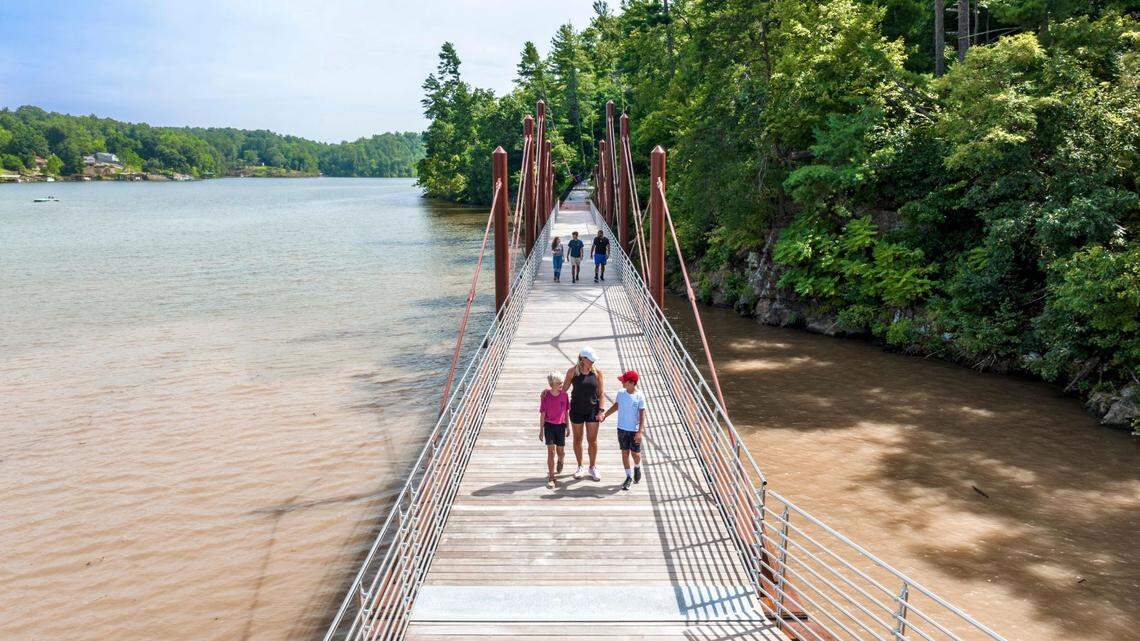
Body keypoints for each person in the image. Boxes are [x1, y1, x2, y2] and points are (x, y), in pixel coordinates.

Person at [562, 346, 604, 481]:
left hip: (593, 410)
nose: (593, 362)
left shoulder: (597, 373)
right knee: (577, 439)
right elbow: (563, 391)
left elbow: (601, 394)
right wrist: (549, 392)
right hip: (576, 410)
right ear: (582, 359)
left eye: (593, 360)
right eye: (590, 360)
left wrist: (601, 411)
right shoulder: (572, 372)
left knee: (592, 441)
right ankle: (580, 466)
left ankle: (592, 467)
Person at [602, 370, 647, 491]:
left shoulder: (640, 396)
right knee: (625, 452)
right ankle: (628, 477)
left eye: (624, 381)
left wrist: (640, 432)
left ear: (632, 383)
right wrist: (605, 415)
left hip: (634, 430)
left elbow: (642, 414)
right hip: (622, 428)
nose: (622, 382)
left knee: (636, 454)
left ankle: (637, 467)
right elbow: (616, 406)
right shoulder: (621, 393)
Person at [538, 371, 570, 488]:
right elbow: (542, 413)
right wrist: (541, 430)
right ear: (552, 384)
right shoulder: (546, 396)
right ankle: (551, 477)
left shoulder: (564, 395)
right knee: (551, 452)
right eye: (559, 382)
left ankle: (561, 459)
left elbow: (566, 412)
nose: (562, 383)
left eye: (562, 381)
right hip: (549, 426)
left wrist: (568, 426)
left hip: (560, 426)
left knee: (560, 451)